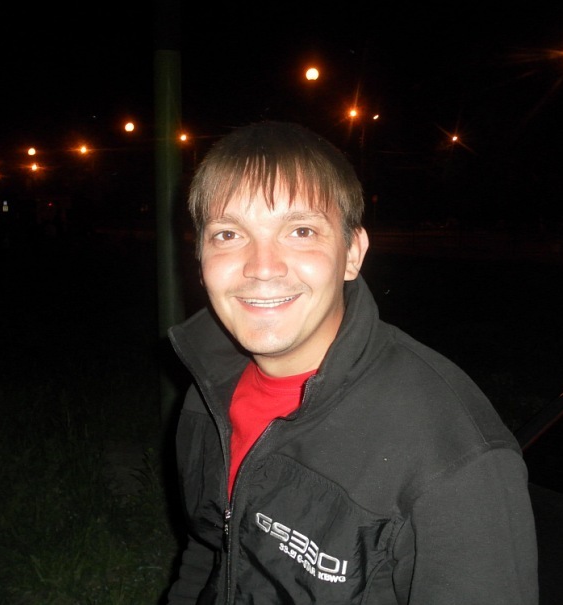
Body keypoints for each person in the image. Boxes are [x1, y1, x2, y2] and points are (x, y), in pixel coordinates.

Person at [165, 120, 538, 604]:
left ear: (352, 254)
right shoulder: (209, 387)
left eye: (301, 231)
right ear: (199, 257)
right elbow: (208, 547)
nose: (262, 267)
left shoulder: (452, 454)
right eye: (228, 234)